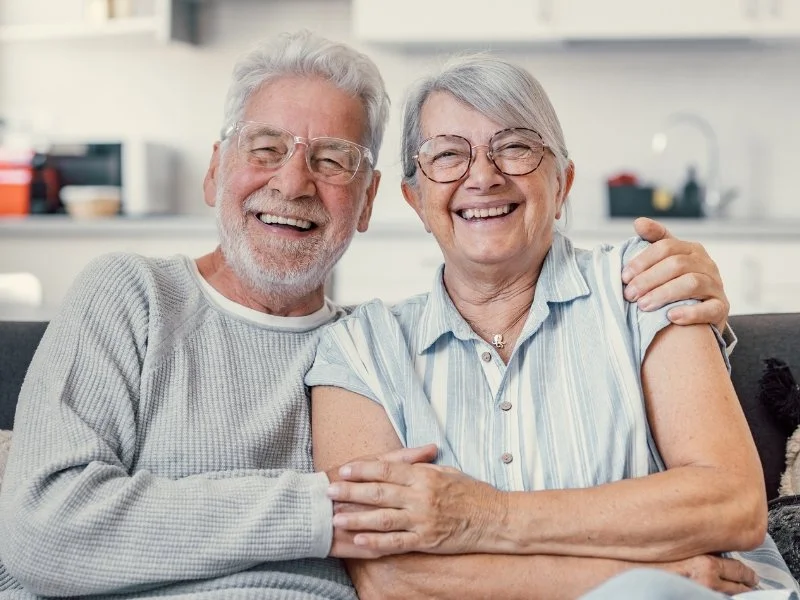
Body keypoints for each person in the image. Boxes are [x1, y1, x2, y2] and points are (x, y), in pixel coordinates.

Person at [0, 31, 735, 599]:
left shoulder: (360, 349)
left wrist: (697, 313)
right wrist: (331, 510)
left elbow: (408, 566)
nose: (294, 183)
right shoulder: (133, 296)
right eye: (266, 149)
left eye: (332, 160)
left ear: (372, 199)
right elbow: (41, 531)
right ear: (216, 170)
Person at [306, 54, 799, 599]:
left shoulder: (645, 282)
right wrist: (624, 575)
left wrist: (482, 516)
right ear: (416, 200)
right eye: (447, 155)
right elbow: (391, 579)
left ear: (562, 183)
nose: (483, 177)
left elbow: (730, 504)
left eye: (515, 147)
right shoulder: (359, 349)